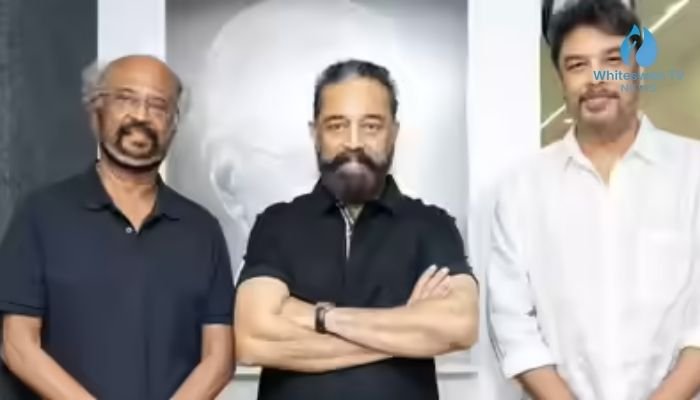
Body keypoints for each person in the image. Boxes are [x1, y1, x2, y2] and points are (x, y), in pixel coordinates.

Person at [487, 2, 700, 400]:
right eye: (577, 65)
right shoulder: (521, 188)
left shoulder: (694, 172)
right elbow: (512, 324)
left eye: (612, 60)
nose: (596, 78)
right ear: (561, 79)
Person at [233, 59, 479, 400]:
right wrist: (407, 329)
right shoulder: (276, 222)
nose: (353, 142)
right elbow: (252, 341)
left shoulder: (432, 224)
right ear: (315, 133)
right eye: (337, 125)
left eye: (371, 126)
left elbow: (459, 326)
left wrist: (321, 317)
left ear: (393, 132)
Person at [0, 55, 234, 400]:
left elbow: (219, 358)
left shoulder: (202, 230)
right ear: (96, 110)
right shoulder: (41, 215)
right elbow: (17, 346)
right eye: (126, 99)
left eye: (158, 105)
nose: (141, 115)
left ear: (173, 125)